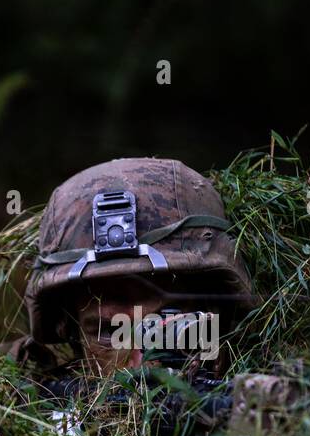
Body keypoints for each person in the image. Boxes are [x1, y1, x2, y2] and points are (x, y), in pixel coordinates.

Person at [20, 157, 255, 375]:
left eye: (166, 327)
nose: (140, 366)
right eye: (111, 332)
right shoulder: (21, 406)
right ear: (72, 334)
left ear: (219, 319)